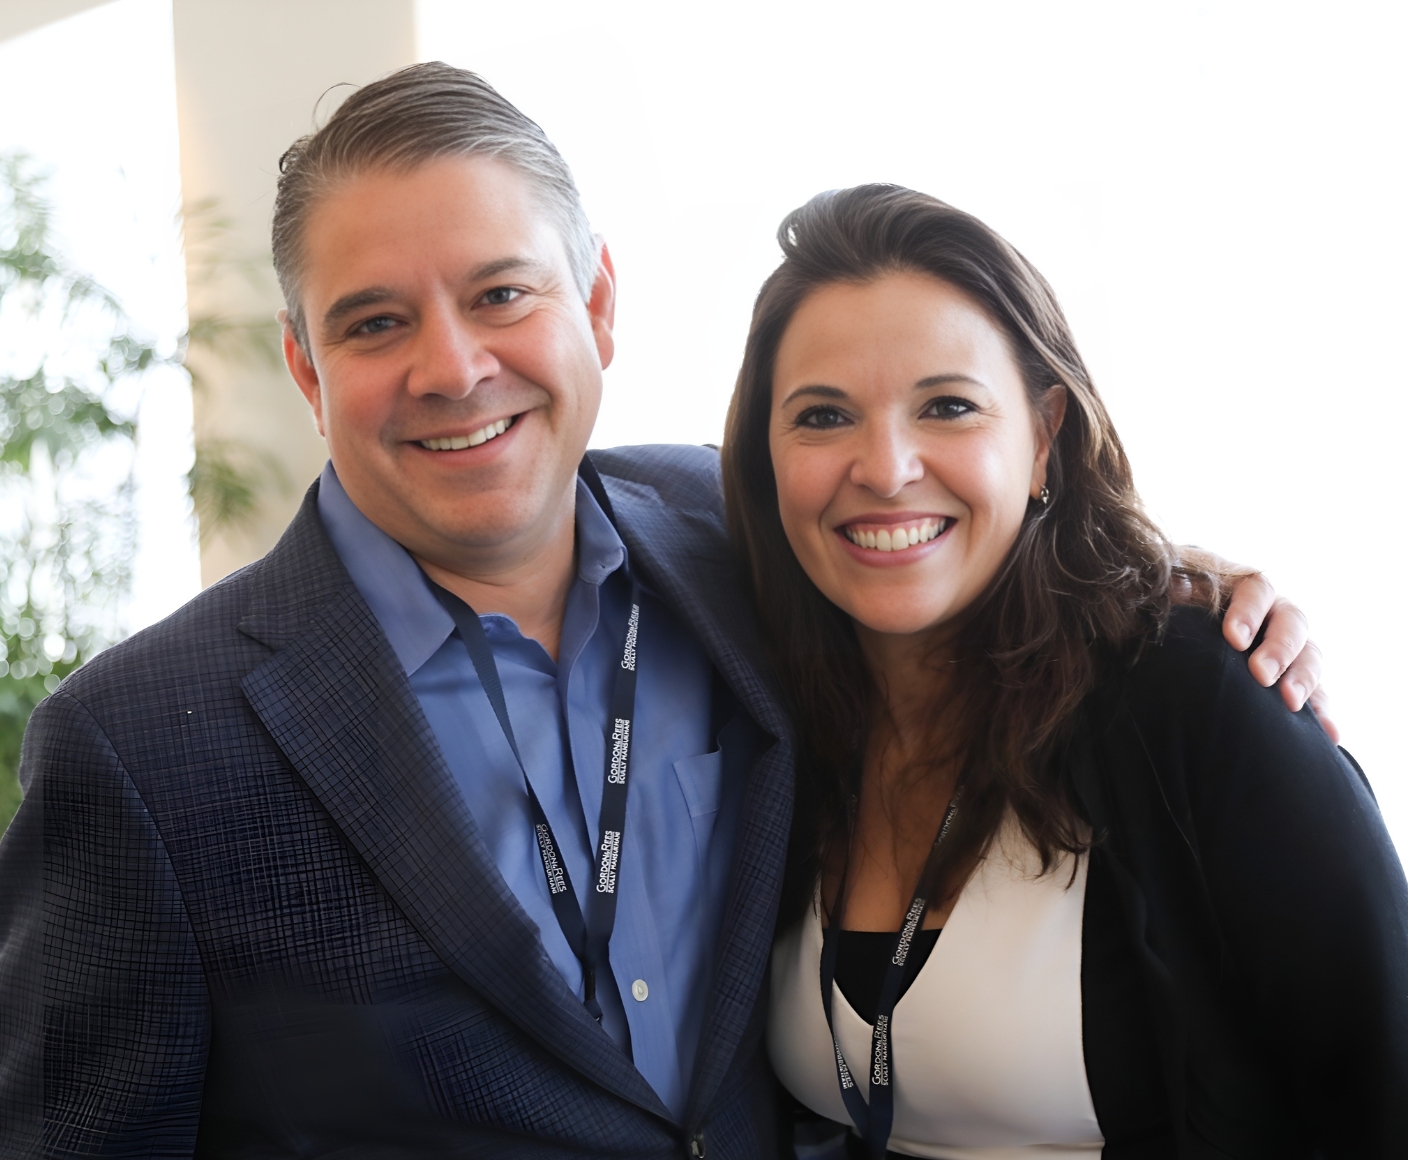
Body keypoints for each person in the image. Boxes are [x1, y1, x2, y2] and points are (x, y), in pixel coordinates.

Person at [0, 66, 1324, 1159]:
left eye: (502, 293)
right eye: (374, 322)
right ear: (305, 365)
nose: (454, 368)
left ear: (599, 305)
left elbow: (956, 542)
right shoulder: (136, 747)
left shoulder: (746, 542)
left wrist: (1174, 594)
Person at [722, 185, 1408, 1158]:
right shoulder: (758, 702)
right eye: (823, 415)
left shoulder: (1195, 698)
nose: (883, 467)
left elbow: (1377, 1086)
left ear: (1042, 439)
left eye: (947, 405)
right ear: (764, 451)